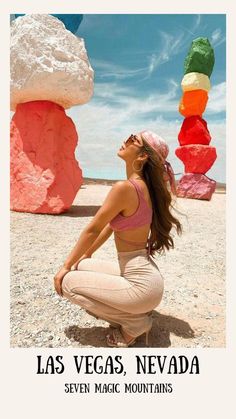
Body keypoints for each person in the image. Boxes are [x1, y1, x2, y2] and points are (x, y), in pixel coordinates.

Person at [54, 130, 182, 347]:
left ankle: (134, 323)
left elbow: (93, 229)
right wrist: (86, 254)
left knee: (66, 284)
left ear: (142, 156)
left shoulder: (125, 188)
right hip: (147, 280)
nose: (126, 140)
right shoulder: (144, 189)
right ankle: (135, 311)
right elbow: (110, 227)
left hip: (141, 286)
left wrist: (64, 267)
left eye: (134, 140)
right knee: (82, 264)